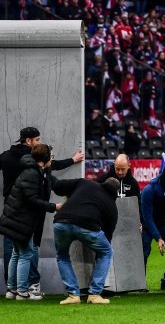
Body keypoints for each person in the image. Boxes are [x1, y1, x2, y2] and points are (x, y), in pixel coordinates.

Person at [1, 127, 83, 292]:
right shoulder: (33, 159)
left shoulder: (5, 157)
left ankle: (12, 287)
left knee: (13, 249)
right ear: (29, 141)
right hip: (30, 209)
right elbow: (51, 165)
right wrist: (73, 160)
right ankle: (30, 285)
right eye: (37, 140)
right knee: (29, 249)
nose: (39, 143)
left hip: (10, 207)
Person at [0, 144, 62, 300]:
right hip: (21, 220)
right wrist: (54, 206)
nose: (52, 159)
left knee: (16, 253)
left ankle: (11, 290)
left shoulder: (32, 171)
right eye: (51, 156)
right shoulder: (33, 174)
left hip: (15, 218)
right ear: (44, 159)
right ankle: (22, 292)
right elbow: (32, 200)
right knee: (26, 254)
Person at [52, 178, 120, 305]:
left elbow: (58, 186)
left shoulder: (85, 182)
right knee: (107, 252)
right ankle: (94, 294)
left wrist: (49, 171)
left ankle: (73, 295)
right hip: (87, 227)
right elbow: (108, 234)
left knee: (62, 256)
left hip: (61, 222)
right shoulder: (112, 205)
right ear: (116, 192)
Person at [140, 164, 165, 290]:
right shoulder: (148, 191)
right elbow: (147, 218)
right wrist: (158, 238)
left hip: (161, 224)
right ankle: (140, 284)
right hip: (147, 225)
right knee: (144, 250)